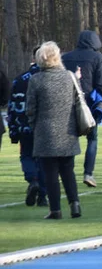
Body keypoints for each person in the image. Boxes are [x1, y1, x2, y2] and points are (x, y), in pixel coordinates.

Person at [26, 42, 83, 220]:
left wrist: (34, 126)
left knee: (50, 173)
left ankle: (55, 210)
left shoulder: (36, 80)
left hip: (45, 132)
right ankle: (74, 204)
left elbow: (31, 109)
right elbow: (78, 102)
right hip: (68, 131)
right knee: (68, 171)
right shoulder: (69, 77)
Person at [61, 29, 102, 188]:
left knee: (70, 138)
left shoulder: (65, 57)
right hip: (88, 104)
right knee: (92, 138)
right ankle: (88, 173)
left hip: (68, 103)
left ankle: (68, 172)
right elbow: (101, 83)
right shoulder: (96, 58)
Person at [8, 48, 45, 207]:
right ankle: (43, 195)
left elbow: (12, 107)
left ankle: (33, 179)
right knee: (45, 161)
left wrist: (13, 130)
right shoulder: (51, 78)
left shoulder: (20, 80)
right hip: (45, 128)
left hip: (25, 127)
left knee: (27, 156)